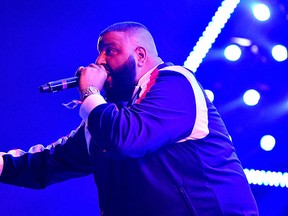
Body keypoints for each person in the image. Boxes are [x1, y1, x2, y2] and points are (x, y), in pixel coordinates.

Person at [0, 21, 258, 216]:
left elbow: (126, 138)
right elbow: (46, 163)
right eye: (99, 53)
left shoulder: (176, 82)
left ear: (141, 55)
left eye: (109, 51)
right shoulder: (105, 119)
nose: (99, 61)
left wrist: (90, 93)